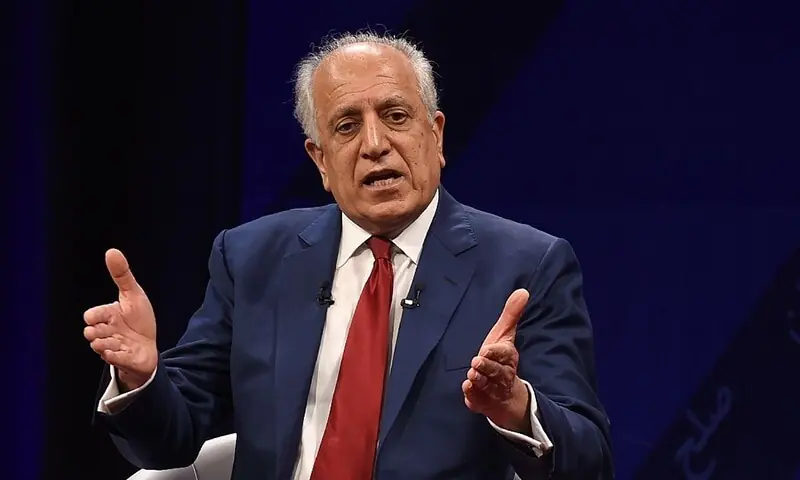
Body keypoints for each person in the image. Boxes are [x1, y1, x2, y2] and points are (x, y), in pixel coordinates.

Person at [85, 31, 613, 479]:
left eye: (396, 115)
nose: (375, 143)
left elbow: (589, 459)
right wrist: (141, 377)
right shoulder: (251, 259)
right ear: (320, 160)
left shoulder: (527, 266)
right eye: (346, 126)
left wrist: (516, 409)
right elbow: (170, 440)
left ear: (436, 135)